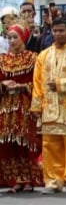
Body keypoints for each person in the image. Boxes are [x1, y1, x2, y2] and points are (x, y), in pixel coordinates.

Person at [30, 17, 66, 194]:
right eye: (55, 31)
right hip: (49, 109)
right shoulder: (43, 55)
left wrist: (61, 84)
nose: (58, 34)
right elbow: (37, 82)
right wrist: (37, 106)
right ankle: (53, 180)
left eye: (61, 30)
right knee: (50, 146)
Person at [0, 23, 42, 191]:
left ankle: (29, 179)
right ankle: (14, 179)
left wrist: (24, 87)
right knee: (8, 143)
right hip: (6, 108)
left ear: (23, 37)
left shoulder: (33, 58)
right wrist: (3, 84)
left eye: (15, 37)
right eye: (9, 37)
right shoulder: (2, 59)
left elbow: (40, 83)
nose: (11, 41)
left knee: (26, 143)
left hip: (25, 106)